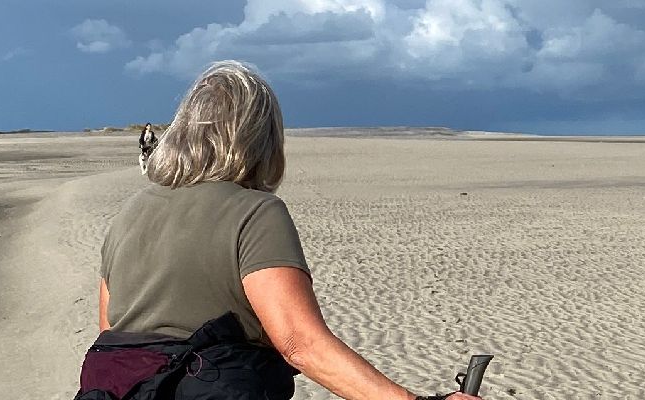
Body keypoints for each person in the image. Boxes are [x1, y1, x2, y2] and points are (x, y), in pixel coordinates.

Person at [78, 60, 483, 400]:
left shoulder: (128, 214)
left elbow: (113, 333)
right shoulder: (255, 212)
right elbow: (300, 345)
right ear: (263, 139)